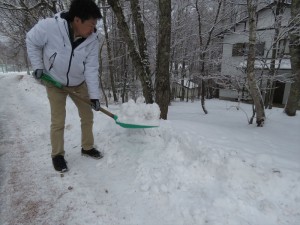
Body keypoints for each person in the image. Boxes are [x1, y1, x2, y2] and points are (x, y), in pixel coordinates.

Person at [26, 0, 103, 173]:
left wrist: (95, 96)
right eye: (90, 25)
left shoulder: (92, 39)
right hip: (55, 82)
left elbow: (91, 68)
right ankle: (57, 155)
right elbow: (31, 40)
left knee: (87, 116)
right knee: (58, 120)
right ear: (77, 20)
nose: (92, 29)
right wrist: (38, 66)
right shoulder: (50, 27)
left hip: (79, 82)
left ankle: (87, 147)